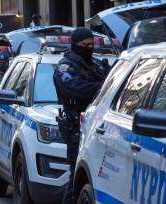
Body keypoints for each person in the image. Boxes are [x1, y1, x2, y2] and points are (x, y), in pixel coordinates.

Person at [53, 27, 108, 203]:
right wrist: (102, 89)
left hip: (97, 125)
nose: (89, 47)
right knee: (76, 174)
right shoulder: (65, 66)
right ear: (75, 44)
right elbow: (73, 88)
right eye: (85, 44)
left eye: (92, 44)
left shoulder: (97, 65)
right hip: (76, 125)